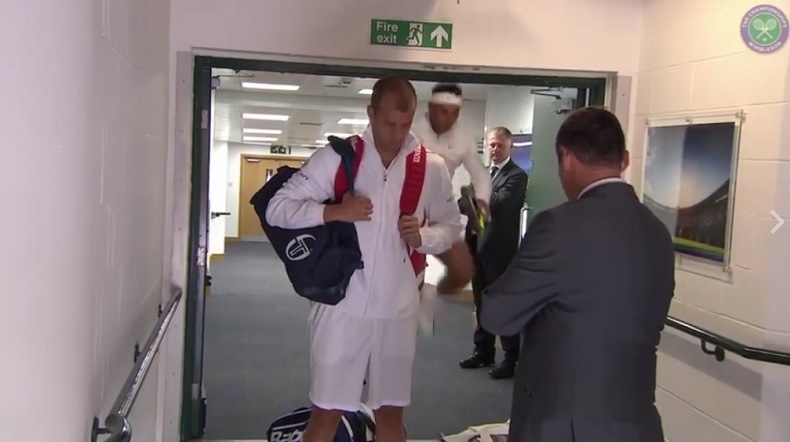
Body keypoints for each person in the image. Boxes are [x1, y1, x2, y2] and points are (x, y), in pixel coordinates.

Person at [265, 76, 463, 442]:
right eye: (389, 123)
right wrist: (335, 212)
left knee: (390, 415)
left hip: (399, 310)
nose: (397, 134)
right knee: (326, 413)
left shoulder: (430, 167)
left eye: (406, 125)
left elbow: (451, 227)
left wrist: (424, 237)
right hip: (342, 306)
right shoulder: (339, 158)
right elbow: (278, 209)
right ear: (370, 113)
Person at [480, 107, 674, 442]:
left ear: (566, 158)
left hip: (563, 425)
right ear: (624, 159)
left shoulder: (557, 226)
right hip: (637, 424)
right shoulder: (657, 231)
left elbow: (497, 315)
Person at [459, 127, 528, 379]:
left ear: (509, 147)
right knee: (481, 303)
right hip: (477, 248)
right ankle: (483, 351)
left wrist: (475, 197)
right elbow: (465, 204)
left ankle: (511, 357)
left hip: (500, 253)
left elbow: (500, 204)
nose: (495, 150)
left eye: (500, 145)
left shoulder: (517, 176)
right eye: (491, 145)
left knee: (503, 304)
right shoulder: (484, 174)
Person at [411, 83, 492, 296]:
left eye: (454, 113)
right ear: (431, 108)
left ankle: (432, 296)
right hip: (408, 207)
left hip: (440, 208)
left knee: (463, 271)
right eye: (443, 111)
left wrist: (482, 201)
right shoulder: (411, 131)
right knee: (407, 272)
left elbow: (480, 173)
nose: (449, 118)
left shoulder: (463, 138)